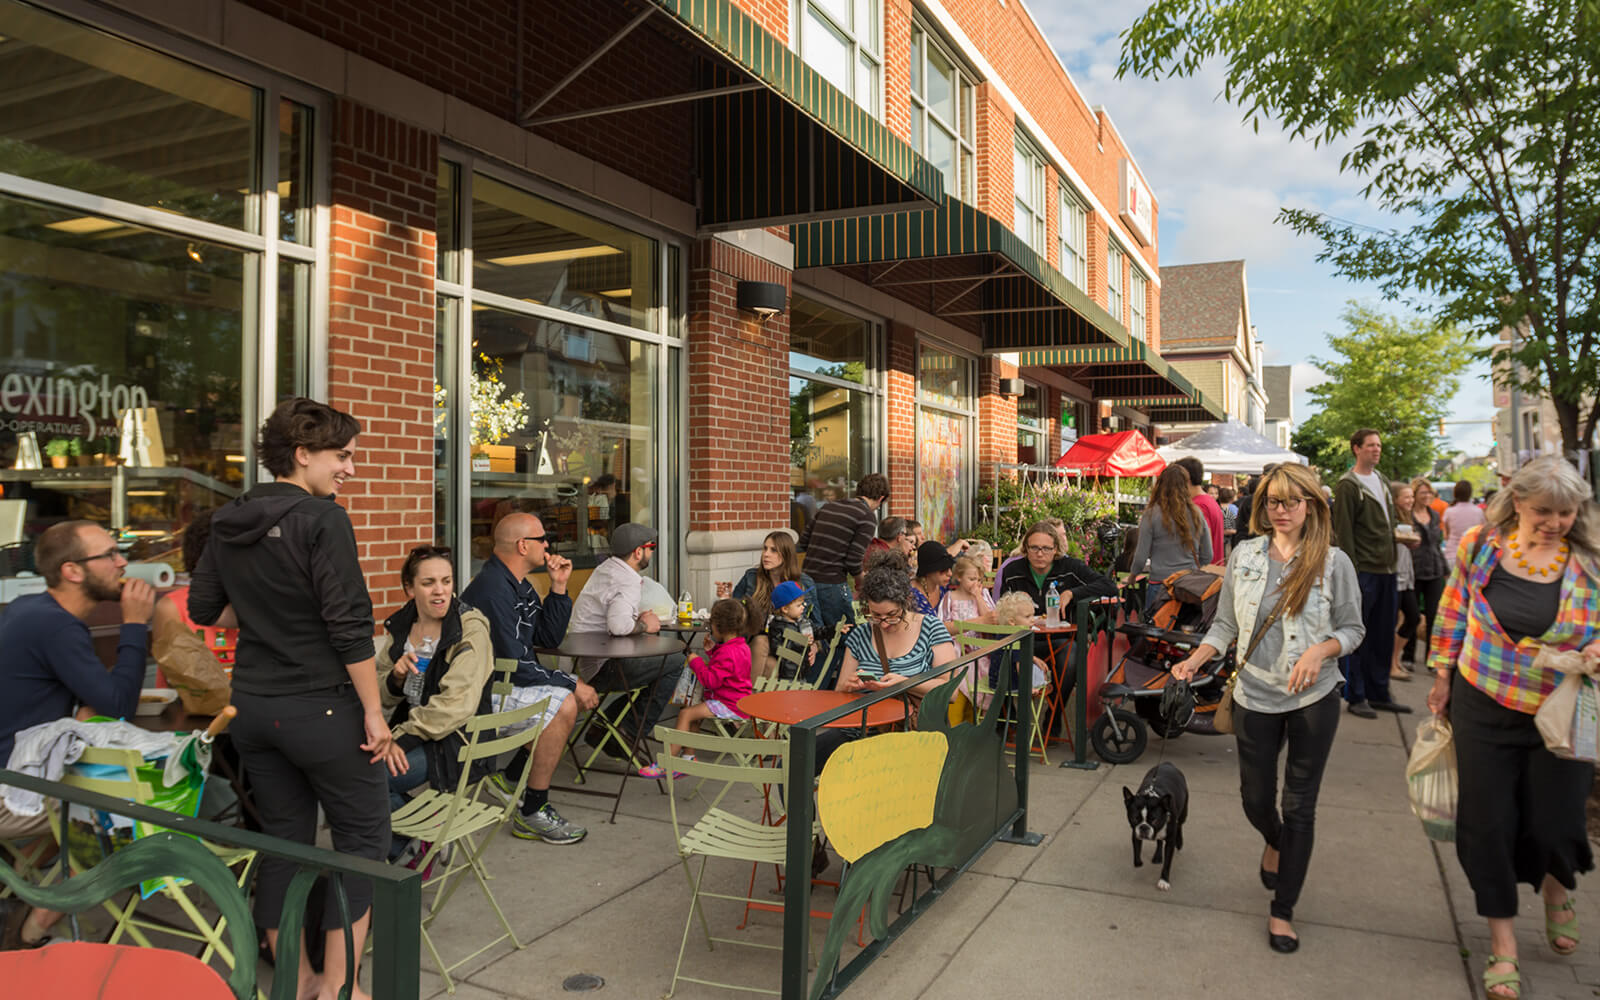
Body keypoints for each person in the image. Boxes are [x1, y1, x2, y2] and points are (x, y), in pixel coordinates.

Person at [189, 397, 397, 1000]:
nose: (349, 469)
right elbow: (350, 626)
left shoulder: (229, 518)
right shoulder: (323, 519)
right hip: (322, 708)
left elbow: (206, 610)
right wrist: (376, 712)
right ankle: (337, 987)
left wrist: (262, 616)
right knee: (363, 843)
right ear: (302, 454)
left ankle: (296, 981)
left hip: (252, 707)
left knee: (284, 840)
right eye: (342, 456)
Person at [1424, 457, 1600, 1000]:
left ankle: (1554, 887)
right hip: (1484, 700)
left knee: (1556, 820)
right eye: (1543, 510)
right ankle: (1504, 947)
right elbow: (1453, 611)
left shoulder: (1589, 561)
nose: (1554, 522)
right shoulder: (1482, 544)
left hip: (1562, 709)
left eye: (1566, 512)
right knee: (1489, 824)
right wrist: (1442, 675)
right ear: (1517, 502)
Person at [1172, 463, 1364, 955]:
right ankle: (1274, 839)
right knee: (1256, 798)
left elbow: (1353, 629)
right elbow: (1225, 626)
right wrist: (1195, 659)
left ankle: (1283, 910)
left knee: (1301, 804)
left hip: (1314, 698)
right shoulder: (1246, 555)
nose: (1282, 511)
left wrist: (1321, 652)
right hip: (1254, 695)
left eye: (1292, 502)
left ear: (1311, 505)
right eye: (1273, 502)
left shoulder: (1333, 562)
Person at [0, 520, 157, 950]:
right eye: (109, 554)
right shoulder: (56, 626)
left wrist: (90, 710)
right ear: (72, 570)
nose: (122, 561)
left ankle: (27, 894)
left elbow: (98, 704)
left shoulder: (33, 612)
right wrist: (135, 624)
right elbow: (118, 707)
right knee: (132, 810)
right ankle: (30, 930)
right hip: (9, 790)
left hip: (20, 773)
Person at [460, 511, 595, 845]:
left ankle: (514, 776)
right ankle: (532, 811)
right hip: (483, 693)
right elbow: (514, 663)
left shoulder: (519, 584)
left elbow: (547, 638)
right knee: (564, 702)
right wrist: (572, 682)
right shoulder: (492, 591)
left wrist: (559, 587)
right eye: (542, 539)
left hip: (508, 682)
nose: (548, 545)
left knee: (565, 699)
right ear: (523, 546)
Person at [374, 545, 494, 857]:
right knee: (342, 770)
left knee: (366, 779)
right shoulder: (401, 627)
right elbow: (379, 690)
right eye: (428, 583)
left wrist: (398, 739)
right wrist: (396, 678)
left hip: (456, 741)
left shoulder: (468, 628)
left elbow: (456, 705)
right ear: (409, 589)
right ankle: (416, 841)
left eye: (447, 581)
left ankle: (405, 850)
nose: (440, 592)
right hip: (414, 732)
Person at [568, 522, 682, 759]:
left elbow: (613, 619)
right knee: (675, 661)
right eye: (651, 548)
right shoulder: (627, 580)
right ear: (638, 552)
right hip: (604, 667)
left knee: (662, 663)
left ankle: (606, 727)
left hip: (585, 660)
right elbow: (619, 627)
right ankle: (627, 731)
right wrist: (645, 625)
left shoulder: (605, 569)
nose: (652, 553)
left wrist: (636, 620)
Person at [1331, 428, 1415, 720]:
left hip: (1387, 568)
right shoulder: (1348, 485)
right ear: (1356, 448)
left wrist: (1402, 539)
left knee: (1382, 634)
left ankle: (1379, 692)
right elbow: (1343, 532)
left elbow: (1387, 524)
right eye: (1370, 446)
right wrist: (1350, 573)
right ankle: (1356, 694)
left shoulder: (1380, 480)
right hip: (1364, 571)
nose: (1376, 450)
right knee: (1359, 635)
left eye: (1378, 445)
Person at [643, 598, 754, 777]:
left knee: (686, 714)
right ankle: (688, 758)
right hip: (737, 700)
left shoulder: (726, 653)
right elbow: (727, 671)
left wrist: (696, 661)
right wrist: (712, 652)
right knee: (693, 714)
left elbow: (710, 680)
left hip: (729, 703)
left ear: (718, 627)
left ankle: (668, 762)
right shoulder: (741, 646)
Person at [796, 473, 891, 628]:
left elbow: (804, 542)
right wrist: (862, 582)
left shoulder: (829, 506)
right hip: (832, 584)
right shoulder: (866, 516)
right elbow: (853, 561)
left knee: (816, 634)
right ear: (880, 498)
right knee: (845, 634)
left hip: (806, 580)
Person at [1127, 465, 1213, 616]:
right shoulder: (1196, 513)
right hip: (1188, 586)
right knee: (1184, 634)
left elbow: (1141, 557)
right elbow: (1208, 554)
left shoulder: (1151, 515)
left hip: (1160, 585)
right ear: (1186, 485)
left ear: (1160, 485)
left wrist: (1133, 575)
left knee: (1155, 634)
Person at [1406, 477, 1449, 668]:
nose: (1427, 496)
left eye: (1429, 492)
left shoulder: (1435, 515)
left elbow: (1437, 544)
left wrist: (1445, 569)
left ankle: (1431, 658)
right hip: (1414, 569)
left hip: (1434, 568)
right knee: (1412, 615)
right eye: (1423, 492)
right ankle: (1408, 655)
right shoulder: (1408, 516)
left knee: (1434, 615)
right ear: (1414, 495)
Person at [1389, 483, 1420, 683]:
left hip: (1405, 576)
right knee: (1394, 621)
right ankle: (1391, 663)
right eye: (1406, 497)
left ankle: (1394, 659)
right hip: (1394, 575)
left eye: (1411, 497)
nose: (1410, 501)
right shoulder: (1391, 518)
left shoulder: (1408, 517)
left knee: (1413, 617)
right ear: (1395, 499)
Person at [760, 580, 818, 680]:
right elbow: (777, 648)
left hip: (801, 671)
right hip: (787, 673)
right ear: (785, 609)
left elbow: (817, 631)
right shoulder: (777, 626)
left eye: (803, 604)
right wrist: (801, 642)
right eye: (799, 605)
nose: (803, 607)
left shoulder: (802, 622)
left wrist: (834, 630)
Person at [1173, 457, 1225, 564]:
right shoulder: (1209, 500)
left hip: (1203, 572)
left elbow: (1204, 544)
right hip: (1213, 570)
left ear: (1185, 477)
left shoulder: (1198, 505)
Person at [938, 555, 996, 624]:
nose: (976, 583)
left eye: (979, 580)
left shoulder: (983, 594)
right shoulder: (950, 597)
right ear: (959, 577)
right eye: (972, 579)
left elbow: (991, 619)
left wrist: (978, 597)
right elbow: (944, 622)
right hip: (958, 634)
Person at [910, 540, 954, 616]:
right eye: (943, 569)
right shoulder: (910, 594)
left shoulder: (946, 588)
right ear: (928, 570)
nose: (950, 573)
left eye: (950, 567)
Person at [1442, 479, 1488, 548]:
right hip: (1471, 552)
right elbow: (1483, 532)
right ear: (1470, 493)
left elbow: (1446, 536)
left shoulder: (1449, 511)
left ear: (1455, 493)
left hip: (1452, 551)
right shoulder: (1478, 511)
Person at [1219, 486, 1239, 555]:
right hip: (1228, 540)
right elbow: (1226, 530)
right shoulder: (1231, 509)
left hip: (1218, 539)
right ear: (1231, 498)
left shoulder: (1217, 507)